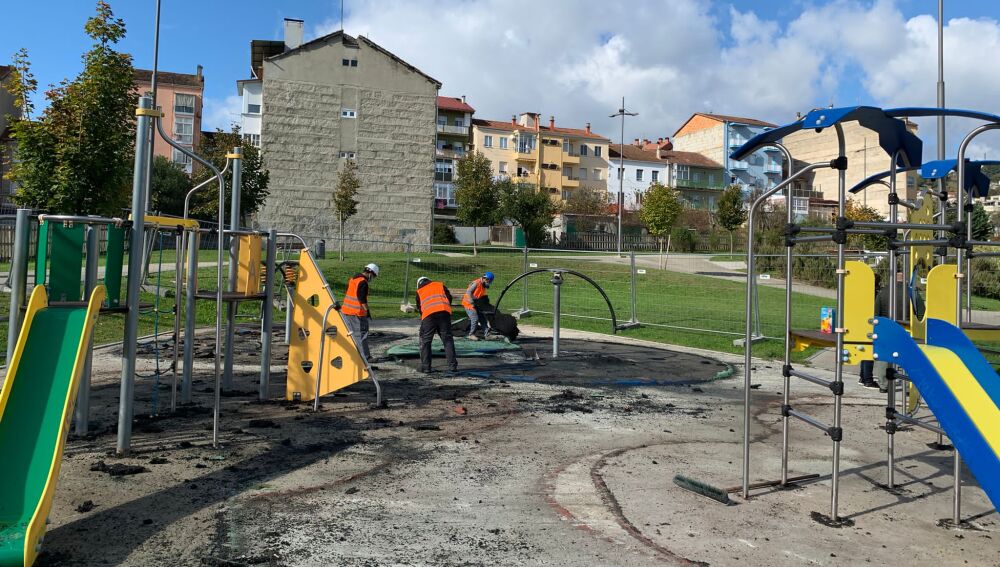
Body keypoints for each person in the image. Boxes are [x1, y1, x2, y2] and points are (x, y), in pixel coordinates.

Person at [860, 269, 925, 392]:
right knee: (907, 358)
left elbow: (876, 314)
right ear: (905, 279)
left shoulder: (883, 292)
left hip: (886, 328)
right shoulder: (912, 293)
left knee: (884, 358)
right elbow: (921, 314)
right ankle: (907, 386)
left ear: (893, 279)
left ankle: (883, 384)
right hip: (906, 329)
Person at [415, 276, 458, 373]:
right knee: (447, 340)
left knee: (426, 341)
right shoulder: (439, 285)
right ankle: (452, 366)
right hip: (444, 312)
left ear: (419, 284)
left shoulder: (419, 291)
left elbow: (420, 307)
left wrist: (425, 318)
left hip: (429, 316)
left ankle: (426, 367)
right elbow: (449, 297)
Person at [340, 263, 379, 361]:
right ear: (370, 273)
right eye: (373, 276)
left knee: (351, 334)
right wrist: (367, 311)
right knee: (362, 334)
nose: (372, 278)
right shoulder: (363, 282)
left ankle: (353, 355)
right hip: (357, 313)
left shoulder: (353, 279)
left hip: (346, 311)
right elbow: (362, 299)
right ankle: (366, 357)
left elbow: (347, 292)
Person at [462, 271, 494, 340]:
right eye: (489, 281)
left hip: (476, 303)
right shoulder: (476, 283)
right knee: (475, 319)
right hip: (468, 304)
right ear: (486, 279)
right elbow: (469, 292)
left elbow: (480, 295)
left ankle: (487, 334)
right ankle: (471, 334)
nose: (489, 283)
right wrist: (471, 302)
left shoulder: (483, 285)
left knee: (483, 318)